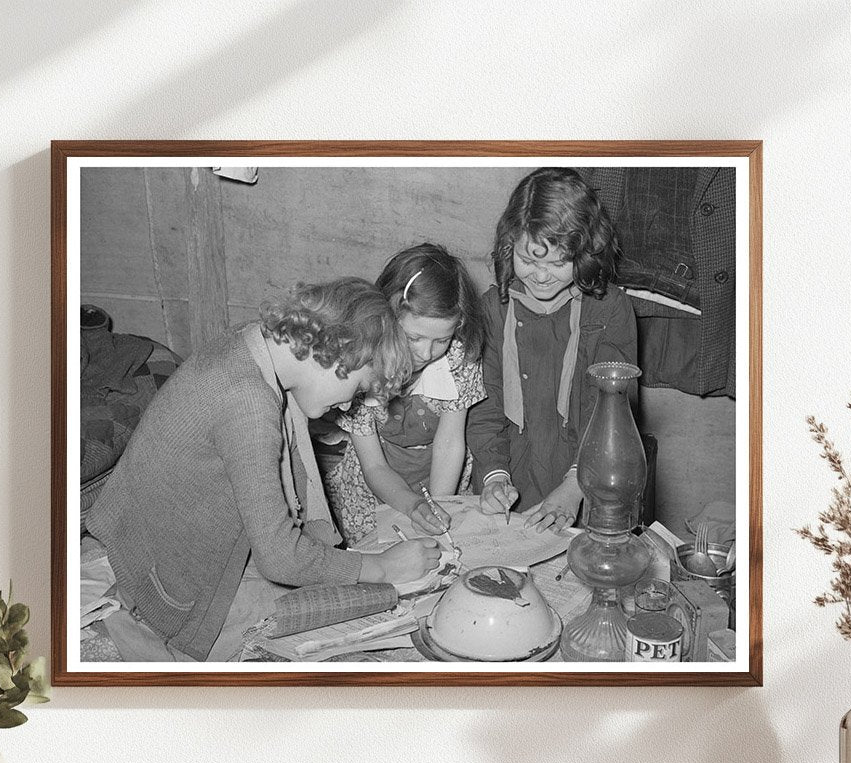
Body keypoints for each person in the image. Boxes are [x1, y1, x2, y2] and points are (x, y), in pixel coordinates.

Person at [87, 278, 441, 661]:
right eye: (356, 391)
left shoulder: (253, 340)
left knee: (319, 586)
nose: (346, 407)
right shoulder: (250, 405)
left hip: (135, 535)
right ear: (339, 354)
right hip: (152, 576)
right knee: (328, 614)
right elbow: (280, 558)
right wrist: (382, 567)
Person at [467, 167, 638, 531]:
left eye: (558, 263)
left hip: (589, 478)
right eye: (528, 260)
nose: (541, 275)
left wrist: (576, 486)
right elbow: (485, 407)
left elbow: (613, 416)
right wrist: (494, 477)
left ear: (587, 253)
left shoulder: (610, 309)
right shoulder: (493, 309)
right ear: (508, 244)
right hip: (514, 473)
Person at [326, 243, 486, 544]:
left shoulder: (458, 360)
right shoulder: (362, 363)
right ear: (388, 315)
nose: (426, 353)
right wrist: (412, 505)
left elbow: (450, 443)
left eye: (442, 340)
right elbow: (374, 465)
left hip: (439, 478)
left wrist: (437, 506)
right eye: (414, 337)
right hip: (373, 485)